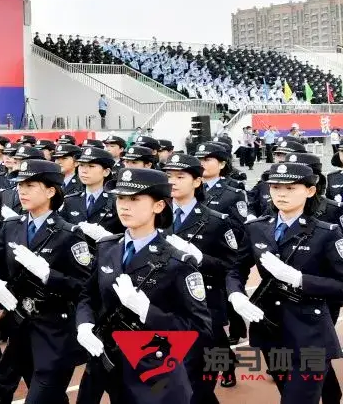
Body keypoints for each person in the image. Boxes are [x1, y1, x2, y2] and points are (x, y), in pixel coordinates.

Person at [74, 168, 212, 404]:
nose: (124, 206)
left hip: (152, 373)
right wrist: (84, 325)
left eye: (135, 199)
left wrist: (147, 311)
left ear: (158, 206)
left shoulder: (177, 262)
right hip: (105, 359)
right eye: (121, 198)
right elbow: (88, 296)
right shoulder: (107, 248)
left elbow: (200, 329)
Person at [226, 161, 343, 403]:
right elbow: (235, 268)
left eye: (290, 188)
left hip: (310, 332)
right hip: (270, 328)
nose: (281, 193)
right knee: (286, 391)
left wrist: (299, 279)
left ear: (310, 191)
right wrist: (235, 294)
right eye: (276, 187)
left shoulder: (326, 233)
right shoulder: (256, 229)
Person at [0, 159, 91, 404]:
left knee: (42, 395)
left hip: (53, 329)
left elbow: (83, 287)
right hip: (19, 323)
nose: (22, 191)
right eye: (20, 185)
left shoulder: (69, 234)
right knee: (1, 389)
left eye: (30, 185)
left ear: (51, 191)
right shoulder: (12, 226)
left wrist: (48, 275)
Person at [161, 152, 240, 395]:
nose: (172, 182)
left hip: (203, 305)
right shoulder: (155, 216)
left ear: (197, 181)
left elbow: (231, 266)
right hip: (164, 306)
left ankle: (226, 366)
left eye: (180, 176)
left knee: (197, 384)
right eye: (169, 176)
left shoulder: (216, 221)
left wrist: (201, 259)